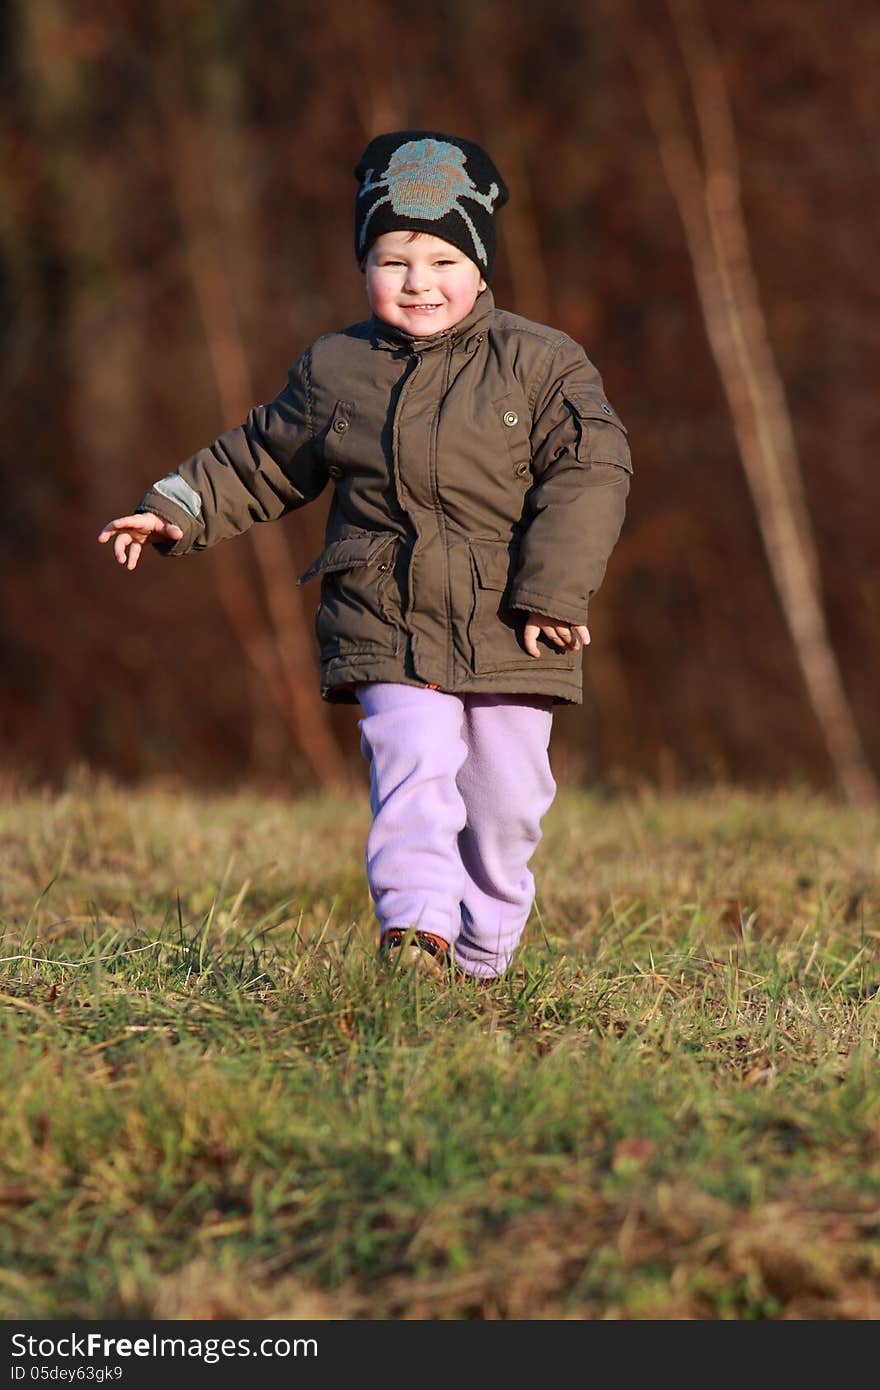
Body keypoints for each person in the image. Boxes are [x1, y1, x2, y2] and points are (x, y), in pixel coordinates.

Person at [98, 130, 632, 982]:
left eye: (440, 260)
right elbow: (265, 459)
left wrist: (556, 592)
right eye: (392, 261)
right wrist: (175, 509)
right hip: (382, 612)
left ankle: (482, 954)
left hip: (512, 623)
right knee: (412, 766)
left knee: (505, 803)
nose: (417, 282)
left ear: (482, 265)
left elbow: (592, 473)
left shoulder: (541, 364)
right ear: (364, 265)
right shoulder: (337, 367)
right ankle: (415, 932)